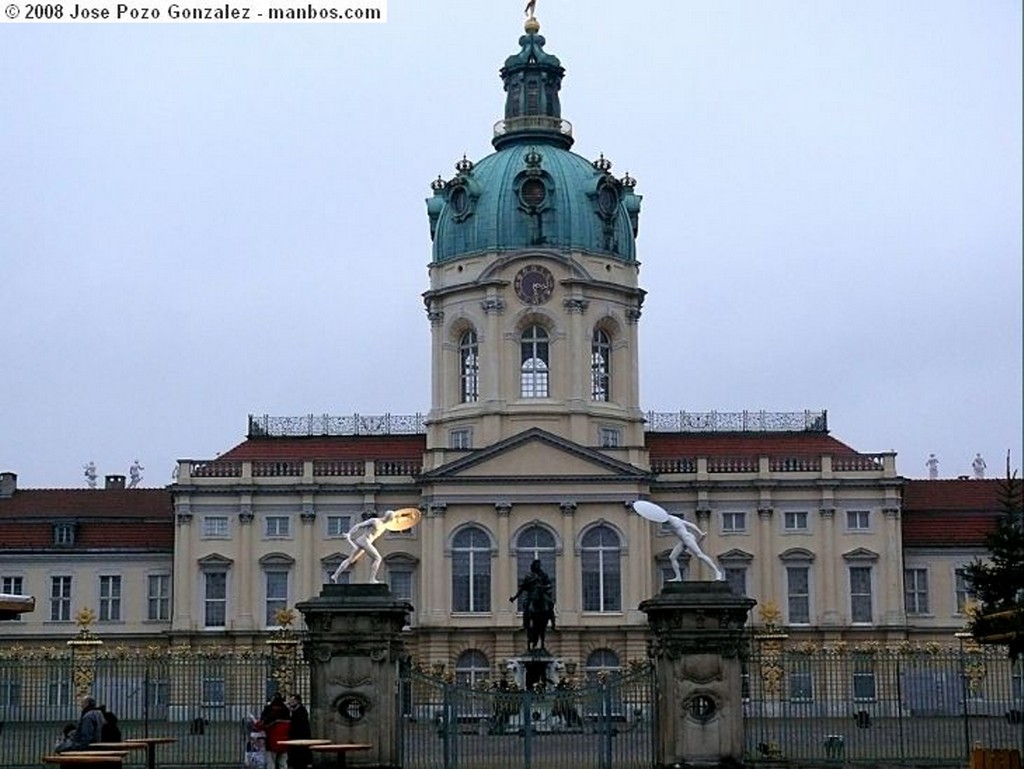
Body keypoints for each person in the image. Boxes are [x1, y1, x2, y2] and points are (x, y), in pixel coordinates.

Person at [330, 510, 396, 583]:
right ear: (388, 517)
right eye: (391, 518)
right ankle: (372, 579)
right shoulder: (374, 521)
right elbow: (359, 525)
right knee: (378, 558)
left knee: (350, 560)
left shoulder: (384, 526)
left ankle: (335, 576)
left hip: (364, 542)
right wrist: (349, 533)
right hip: (365, 541)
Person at [509, 559, 555, 650]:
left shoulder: (543, 575)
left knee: (550, 603)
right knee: (526, 606)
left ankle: (553, 623)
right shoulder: (529, 576)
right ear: (533, 566)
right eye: (536, 565)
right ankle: (525, 623)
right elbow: (522, 589)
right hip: (531, 596)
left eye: (539, 565)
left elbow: (550, 585)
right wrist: (514, 597)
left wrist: (544, 587)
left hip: (542, 594)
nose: (538, 566)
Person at [664, 513, 723, 582]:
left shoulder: (675, 520)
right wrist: (700, 533)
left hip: (687, 538)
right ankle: (678, 577)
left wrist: (700, 533)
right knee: (672, 557)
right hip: (683, 541)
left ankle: (717, 572)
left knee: (700, 555)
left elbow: (691, 525)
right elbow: (691, 525)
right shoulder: (673, 521)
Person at [259, 693, 291, 769]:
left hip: (271, 739)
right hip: (284, 739)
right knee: (283, 762)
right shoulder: (285, 709)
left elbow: (263, 722)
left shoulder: (269, 709)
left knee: (271, 761)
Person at [285, 694, 312, 769]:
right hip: (295, 737)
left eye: (292, 700)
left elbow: (299, 723)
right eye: (290, 700)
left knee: (300, 754)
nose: (290, 702)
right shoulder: (295, 710)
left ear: (298, 701)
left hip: (301, 736)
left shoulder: (301, 711)